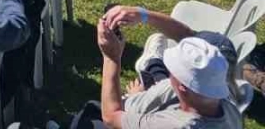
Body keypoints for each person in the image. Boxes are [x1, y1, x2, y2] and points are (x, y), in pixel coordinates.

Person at [95, 28, 233, 129]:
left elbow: (111, 117)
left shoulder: (173, 125)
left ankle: (151, 66)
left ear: (182, 87)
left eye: (171, 69)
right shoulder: (230, 111)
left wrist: (111, 57)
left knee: (93, 115)